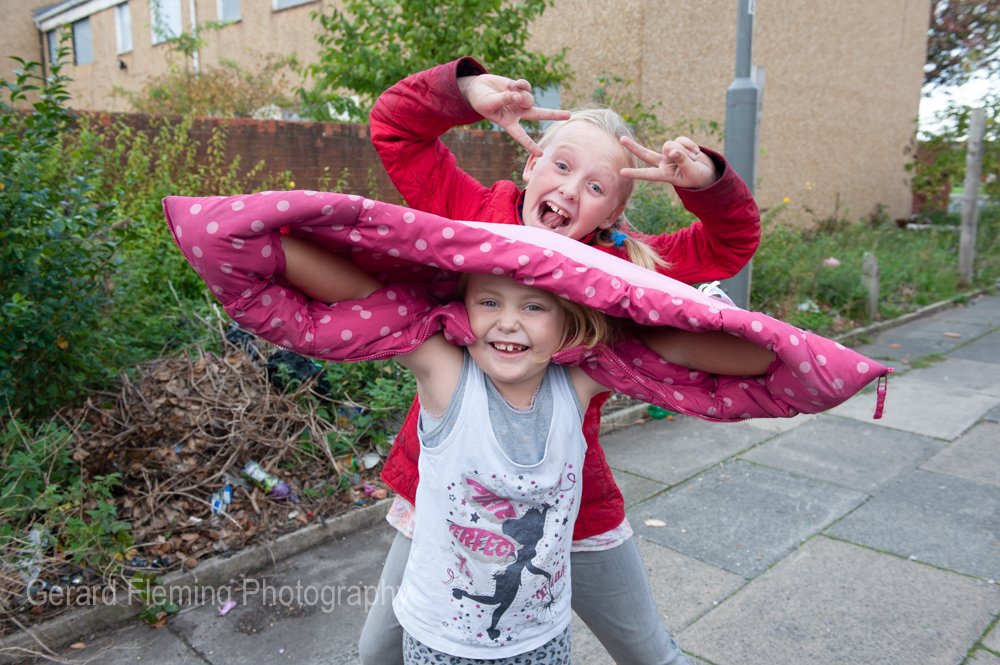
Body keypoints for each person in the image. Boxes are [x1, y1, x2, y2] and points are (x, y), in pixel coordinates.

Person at [363, 57, 760, 664]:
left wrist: (705, 184)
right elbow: (396, 130)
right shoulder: (473, 216)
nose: (571, 191)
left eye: (596, 188)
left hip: (567, 501)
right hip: (451, 492)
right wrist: (465, 90)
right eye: (562, 166)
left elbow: (728, 245)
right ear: (531, 164)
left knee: (649, 652)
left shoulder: (620, 266)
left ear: (612, 215)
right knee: (377, 652)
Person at [278, 233, 777, 663]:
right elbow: (364, 296)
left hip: (542, 642)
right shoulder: (445, 376)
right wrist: (266, 243)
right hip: (440, 644)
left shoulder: (578, 384)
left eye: (534, 307)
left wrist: (708, 315)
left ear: (568, 324)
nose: (508, 322)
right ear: (462, 309)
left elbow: (725, 354)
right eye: (488, 302)